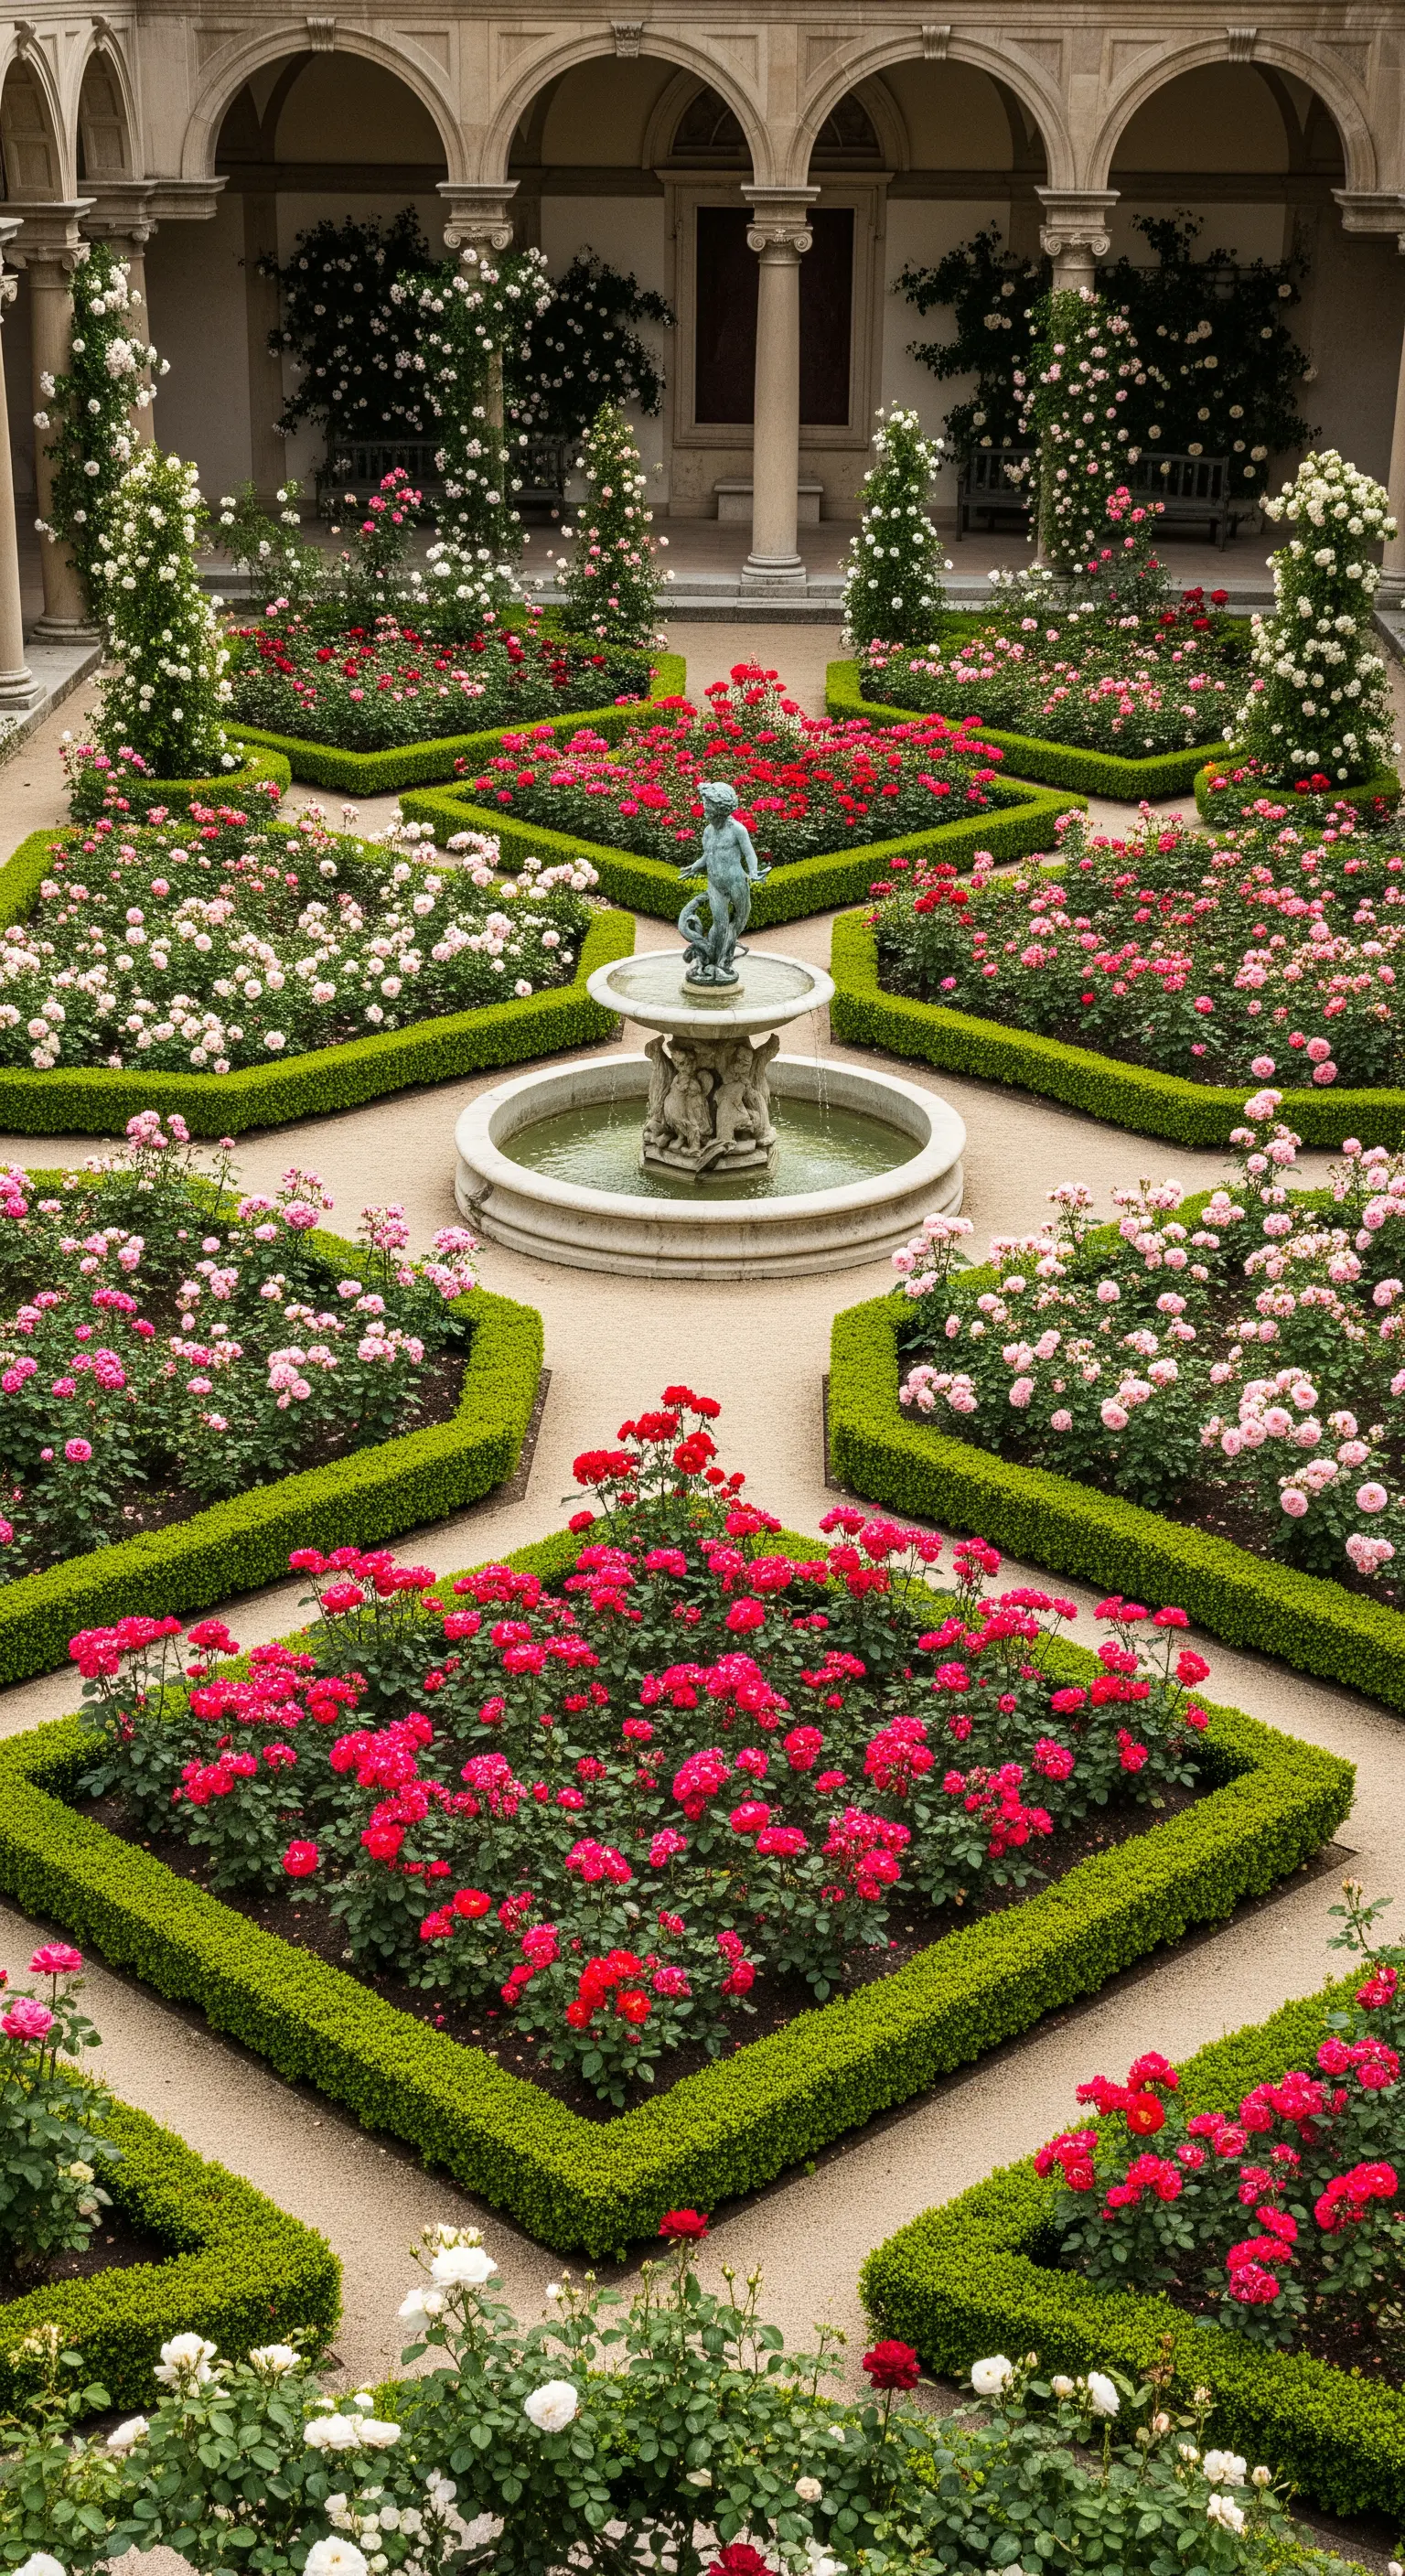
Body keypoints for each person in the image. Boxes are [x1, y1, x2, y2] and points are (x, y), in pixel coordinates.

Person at [677, 779, 769, 985]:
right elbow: (708, 855)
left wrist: (753, 871)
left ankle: (724, 963)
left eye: (708, 804)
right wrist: (695, 866)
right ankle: (712, 961)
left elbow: (749, 854)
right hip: (715, 885)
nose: (704, 808)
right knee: (720, 925)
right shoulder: (709, 831)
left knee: (737, 924)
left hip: (736, 882)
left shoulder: (737, 829)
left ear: (720, 808)